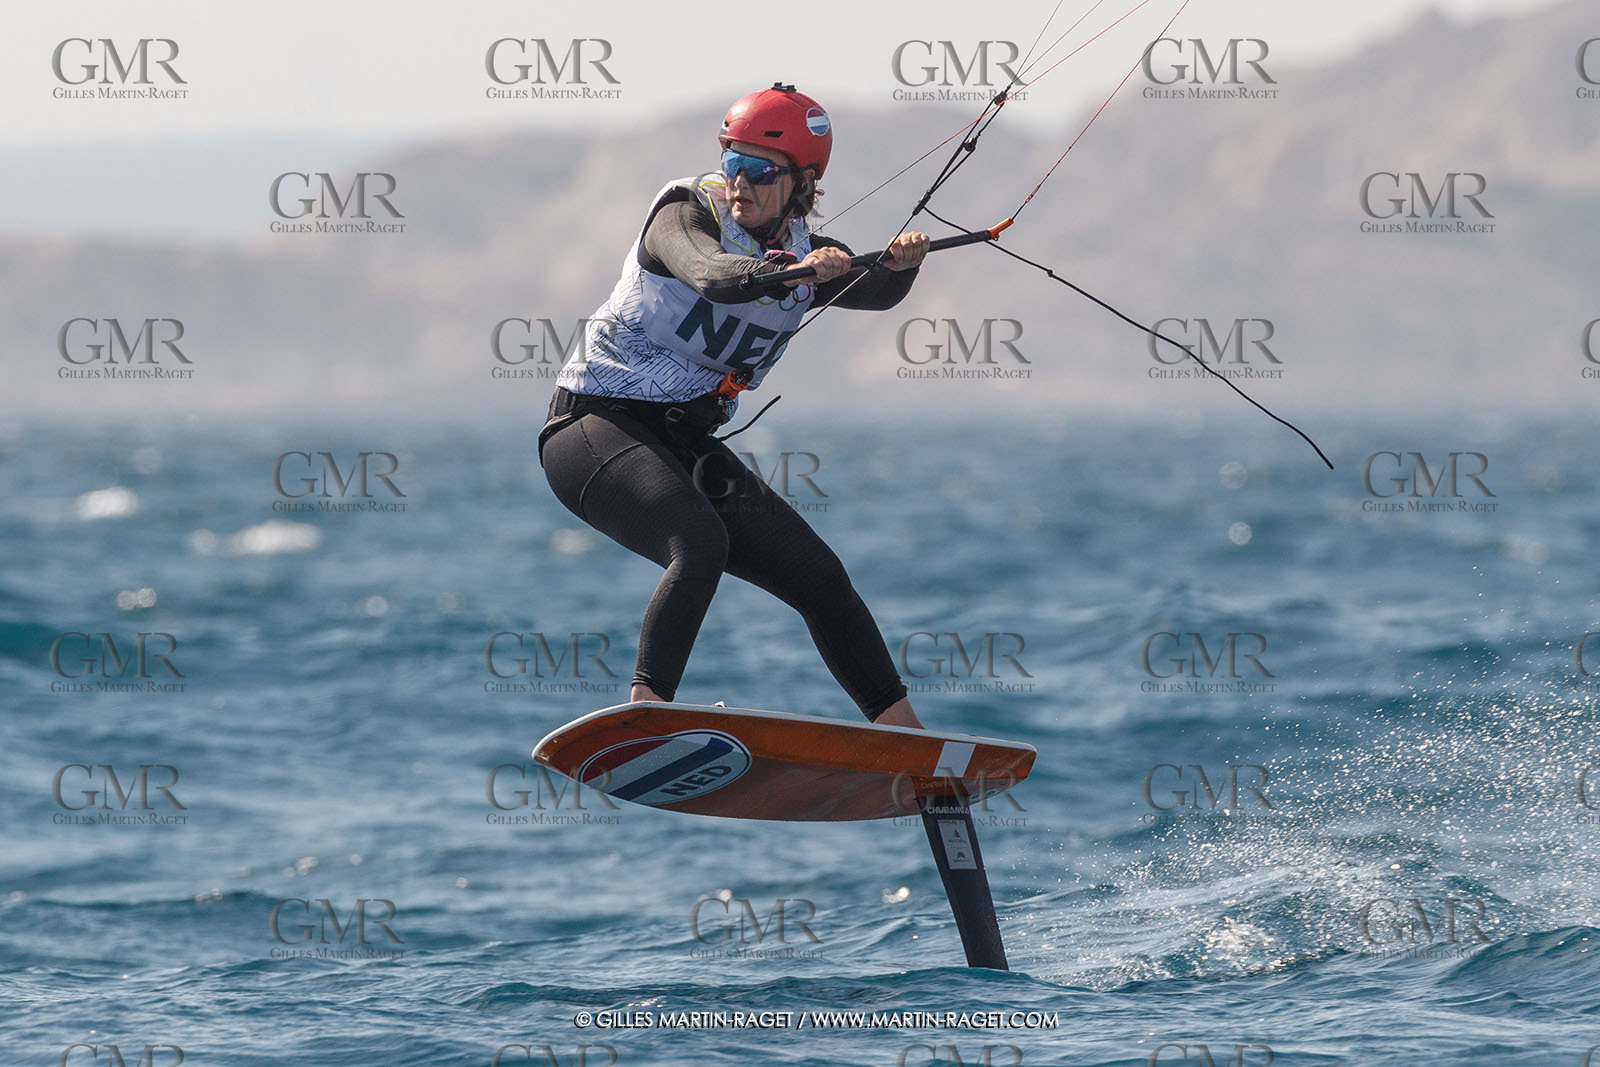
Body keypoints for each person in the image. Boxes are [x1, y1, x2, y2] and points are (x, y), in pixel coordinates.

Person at [538, 83, 930, 729]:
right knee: (699, 543)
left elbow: (878, 290)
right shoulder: (685, 214)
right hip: (591, 425)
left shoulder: (806, 254)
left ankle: (907, 740)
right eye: (732, 162)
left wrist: (904, 264)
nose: (739, 182)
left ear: (802, 183)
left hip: (680, 442)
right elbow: (711, 274)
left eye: (759, 171)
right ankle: (645, 716)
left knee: (820, 578)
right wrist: (791, 273)